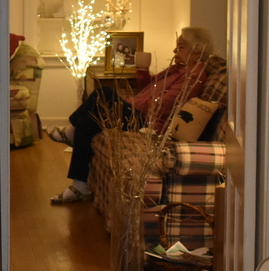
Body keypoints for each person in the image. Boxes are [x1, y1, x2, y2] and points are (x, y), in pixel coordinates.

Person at [47, 27, 227, 204]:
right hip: (138, 112)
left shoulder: (194, 75)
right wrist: (142, 70)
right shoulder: (177, 69)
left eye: (181, 46)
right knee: (87, 123)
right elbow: (149, 88)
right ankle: (80, 187)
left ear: (197, 52)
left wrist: (128, 103)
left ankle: (70, 132)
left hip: (146, 122)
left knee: (104, 93)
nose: (175, 50)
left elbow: (164, 106)